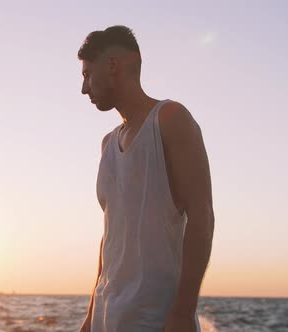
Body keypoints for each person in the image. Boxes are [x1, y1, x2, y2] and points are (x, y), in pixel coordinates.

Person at [78, 25, 214, 332]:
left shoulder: (169, 119)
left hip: (154, 319)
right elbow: (111, 235)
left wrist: (183, 312)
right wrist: (90, 316)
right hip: (105, 318)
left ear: (112, 66)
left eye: (87, 74)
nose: (84, 88)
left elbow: (201, 215)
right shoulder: (108, 144)